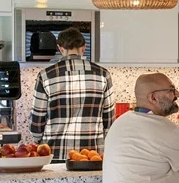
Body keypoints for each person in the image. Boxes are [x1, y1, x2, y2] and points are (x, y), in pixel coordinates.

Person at [29, 27, 115, 161]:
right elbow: (109, 119)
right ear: (84, 47)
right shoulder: (103, 74)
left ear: (60, 48)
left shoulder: (45, 75)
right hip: (92, 155)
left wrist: (38, 141)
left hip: (55, 152)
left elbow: (37, 118)